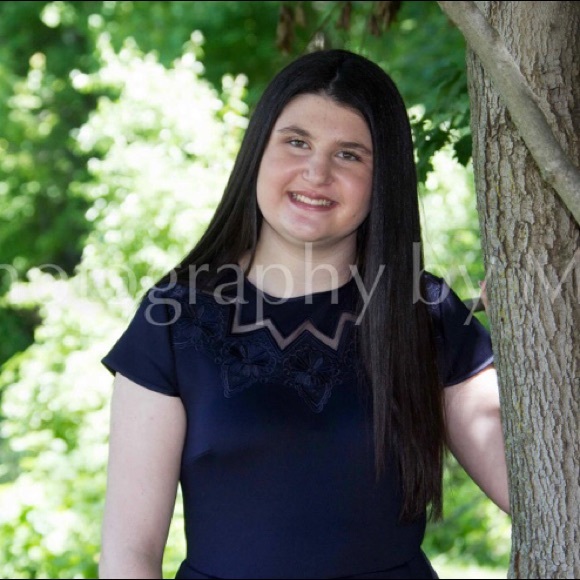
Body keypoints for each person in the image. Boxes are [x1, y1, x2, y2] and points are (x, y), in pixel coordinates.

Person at [99, 49, 509, 580]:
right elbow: (129, 554)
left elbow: (531, 487)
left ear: (382, 178)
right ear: (258, 151)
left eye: (349, 155)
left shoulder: (423, 311)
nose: (316, 173)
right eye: (296, 142)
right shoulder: (174, 317)